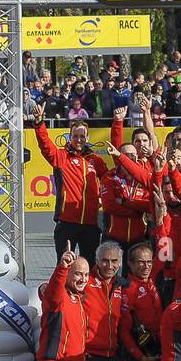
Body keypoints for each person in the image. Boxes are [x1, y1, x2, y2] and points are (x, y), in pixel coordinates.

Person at [33, 105, 106, 263]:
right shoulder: (61, 157)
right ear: (70, 137)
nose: (79, 140)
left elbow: (108, 181)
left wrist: (102, 198)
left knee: (90, 266)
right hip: (67, 223)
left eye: (82, 136)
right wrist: (39, 124)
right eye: (75, 136)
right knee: (64, 265)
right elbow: (45, 146)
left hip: (90, 223)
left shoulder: (96, 160)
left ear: (87, 138)